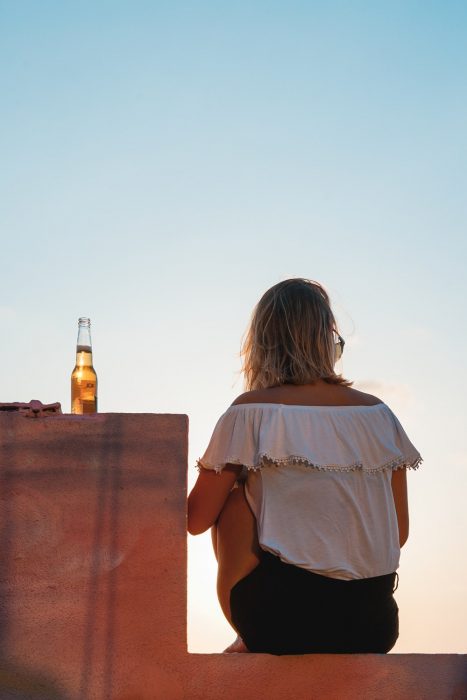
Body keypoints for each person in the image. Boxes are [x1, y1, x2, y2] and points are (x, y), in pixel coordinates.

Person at [187, 278, 421, 654]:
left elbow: (196, 519)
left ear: (262, 344)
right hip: (373, 625)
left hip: (281, 623)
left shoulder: (251, 411)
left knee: (232, 502)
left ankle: (244, 638)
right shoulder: (380, 415)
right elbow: (398, 533)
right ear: (327, 339)